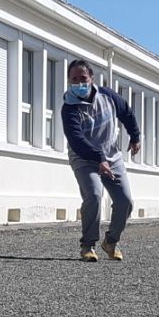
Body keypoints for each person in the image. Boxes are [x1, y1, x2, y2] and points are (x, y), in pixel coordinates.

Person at [61, 58, 141, 261]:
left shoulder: (107, 96)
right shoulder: (69, 107)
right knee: (94, 195)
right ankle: (88, 245)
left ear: (92, 78)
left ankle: (111, 241)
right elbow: (76, 140)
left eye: (83, 78)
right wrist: (98, 159)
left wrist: (135, 137)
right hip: (84, 159)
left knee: (125, 202)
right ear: (69, 81)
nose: (79, 83)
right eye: (74, 79)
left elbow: (126, 113)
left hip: (112, 156)